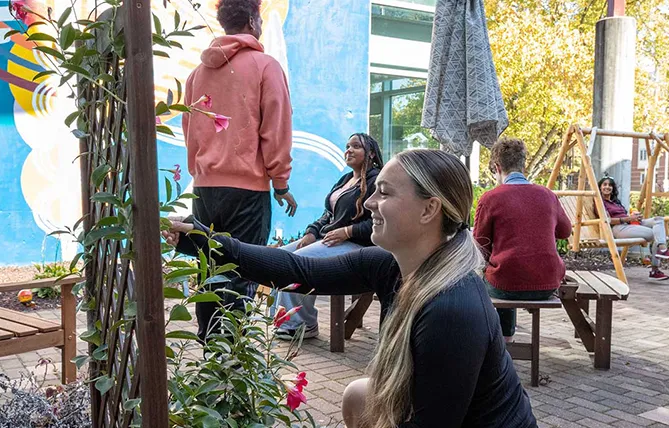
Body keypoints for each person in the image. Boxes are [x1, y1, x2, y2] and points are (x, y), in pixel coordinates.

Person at [164, 149, 537, 428]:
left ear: (429, 210)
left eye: (385, 193)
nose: (370, 203)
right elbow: (298, 270)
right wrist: (200, 239)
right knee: (360, 394)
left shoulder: (452, 309)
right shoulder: (392, 267)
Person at [181, 0, 298, 342]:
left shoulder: (196, 74)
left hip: (204, 189)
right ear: (251, 20)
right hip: (248, 191)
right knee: (242, 270)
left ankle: (209, 349)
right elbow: (276, 128)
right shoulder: (265, 67)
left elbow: (190, 131)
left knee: (209, 268)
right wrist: (281, 182)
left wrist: (201, 172)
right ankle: (231, 360)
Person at [274, 133, 383, 340]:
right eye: (347, 146)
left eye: (355, 146)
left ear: (370, 153)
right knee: (278, 258)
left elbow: (382, 220)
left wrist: (348, 231)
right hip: (330, 238)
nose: (348, 150)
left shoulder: (377, 181)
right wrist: (311, 232)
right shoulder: (345, 180)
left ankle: (301, 324)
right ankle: (285, 320)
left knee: (298, 262)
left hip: (358, 244)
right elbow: (329, 215)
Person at [473, 138, 572, 343]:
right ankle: (507, 336)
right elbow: (565, 232)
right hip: (547, 283)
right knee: (509, 271)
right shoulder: (547, 195)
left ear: (497, 167)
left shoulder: (491, 198)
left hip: (506, 284)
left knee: (493, 275)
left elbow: (480, 245)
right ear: (523, 165)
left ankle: (502, 339)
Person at [598, 176, 669, 281]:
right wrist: (629, 218)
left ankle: (662, 250)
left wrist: (635, 217)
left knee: (659, 220)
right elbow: (607, 220)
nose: (607, 187)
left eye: (610, 185)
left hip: (629, 224)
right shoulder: (600, 203)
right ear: (600, 187)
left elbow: (626, 216)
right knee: (655, 234)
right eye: (604, 184)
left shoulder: (615, 202)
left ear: (613, 188)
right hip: (618, 228)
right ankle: (656, 267)